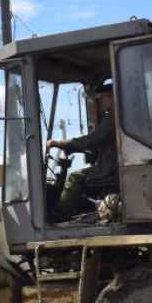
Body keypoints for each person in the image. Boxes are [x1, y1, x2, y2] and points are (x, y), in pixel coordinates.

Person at [45, 84, 118, 221]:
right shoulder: (115, 117)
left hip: (110, 169)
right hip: (111, 166)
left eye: (103, 98)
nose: (100, 102)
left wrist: (61, 143)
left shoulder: (113, 118)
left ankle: (59, 217)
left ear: (112, 97)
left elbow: (92, 139)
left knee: (74, 177)